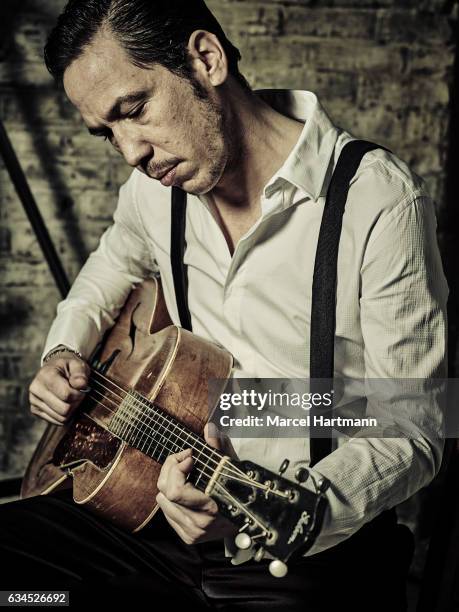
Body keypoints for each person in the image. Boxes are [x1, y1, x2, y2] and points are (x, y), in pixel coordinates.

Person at [0, 0, 448, 610]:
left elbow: (412, 425)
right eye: (108, 133)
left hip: (299, 545)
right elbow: (112, 263)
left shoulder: (377, 202)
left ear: (205, 59)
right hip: (152, 517)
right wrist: (63, 347)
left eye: (134, 110)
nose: (130, 151)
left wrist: (314, 503)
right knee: (22, 592)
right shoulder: (153, 190)